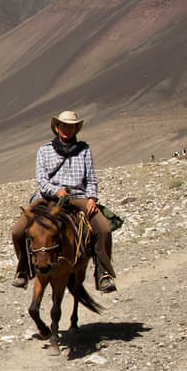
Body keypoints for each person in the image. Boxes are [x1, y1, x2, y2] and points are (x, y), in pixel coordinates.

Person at [11, 109, 116, 292]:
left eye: (71, 126)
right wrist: (55, 190)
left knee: (104, 229)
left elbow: (91, 178)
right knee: (18, 231)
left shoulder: (84, 150)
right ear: (57, 128)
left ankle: (103, 274)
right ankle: (24, 270)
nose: (67, 129)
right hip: (48, 197)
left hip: (78, 196)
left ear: (76, 129)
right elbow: (42, 180)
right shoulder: (44, 151)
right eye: (64, 126)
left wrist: (91, 197)